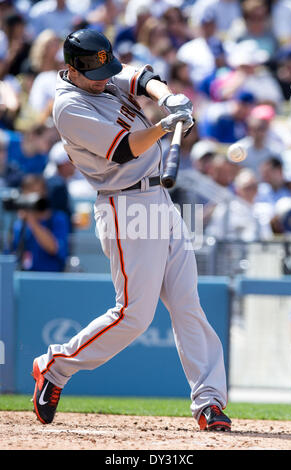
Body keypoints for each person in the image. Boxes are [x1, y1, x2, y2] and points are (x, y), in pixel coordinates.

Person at [31, 28, 231, 432]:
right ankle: (54, 365)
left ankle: (209, 402)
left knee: (187, 305)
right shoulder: (69, 105)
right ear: (73, 69)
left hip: (159, 199)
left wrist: (166, 97)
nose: (105, 77)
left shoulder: (98, 75)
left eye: (107, 67)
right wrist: (164, 125)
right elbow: (125, 147)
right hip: (125, 204)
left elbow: (140, 78)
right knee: (133, 316)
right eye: (96, 72)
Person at [9, 174, 69, 272]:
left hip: (51, 279)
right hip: (24, 279)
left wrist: (32, 221)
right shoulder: (19, 225)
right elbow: (12, 256)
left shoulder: (58, 219)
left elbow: (53, 248)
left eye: (37, 193)